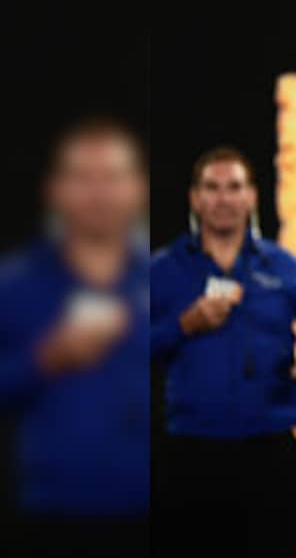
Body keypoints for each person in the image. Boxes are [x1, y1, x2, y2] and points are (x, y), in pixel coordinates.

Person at [150, 147, 296, 557]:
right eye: (212, 188)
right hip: (191, 454)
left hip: (271, 454)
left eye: (234, 187)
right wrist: (183, 325)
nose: (223, 199)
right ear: (194, 198)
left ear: (251, 197)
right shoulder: (164, 268)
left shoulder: (281, 266)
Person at [0, 118, 149, 557]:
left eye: (113, 177)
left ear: (138, 187)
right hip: (45, 518)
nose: (99, 193)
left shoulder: (165, 278)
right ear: (54, 189)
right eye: (82, 178)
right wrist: (46, 357)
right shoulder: (15, 283)